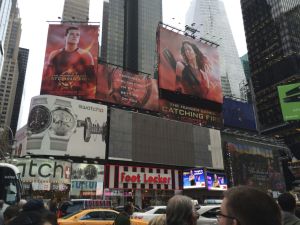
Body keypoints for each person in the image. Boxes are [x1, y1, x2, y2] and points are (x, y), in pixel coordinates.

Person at [43, 26, 95, 96]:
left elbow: (91, 79)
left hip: (78, 95)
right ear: (65, 37)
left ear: (79, 38)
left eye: (77, 35)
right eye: (71, 34)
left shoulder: (86, 55)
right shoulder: (54, 54)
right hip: (57, 94)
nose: (75, 37)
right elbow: (48, 78)